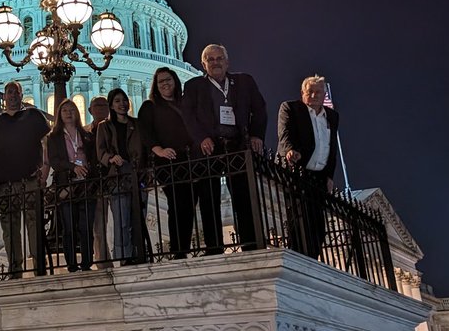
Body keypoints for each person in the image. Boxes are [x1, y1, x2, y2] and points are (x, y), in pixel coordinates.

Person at [182, 44, 267, 251]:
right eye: (210, 60)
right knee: (209, 199)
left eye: (219, 58)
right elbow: (188, 116)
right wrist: (201, 138)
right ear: (203, 64)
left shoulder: (244, 81)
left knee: (243, 196)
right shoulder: (194, 86)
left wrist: (256, 135)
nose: (215, 63)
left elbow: (259, 109)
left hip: (237, 144)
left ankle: (251, 243)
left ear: (227, 62)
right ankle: (214, 247)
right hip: (210, 147)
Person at [0, 80, 51, 278]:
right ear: (4, 96)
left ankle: (39, 268)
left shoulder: (34, 115)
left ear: (21, 95)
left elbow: (48, 142)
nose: (12, 96)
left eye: (16, 92)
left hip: (31, 180)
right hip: (5, 184)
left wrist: (45, 168)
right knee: (9, 228)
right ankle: (15, 270)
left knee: (35, 225)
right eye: (9, 92)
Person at [138, 67, 210, 257]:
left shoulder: (185, 103)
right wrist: (158, 150)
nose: (165, 84)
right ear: (155, 85)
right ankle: (178, 249)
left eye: (168, 80)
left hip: (190, 160)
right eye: (161, 81)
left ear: (175, 81)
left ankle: (183, 247)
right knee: (177, 204)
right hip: (168, 162)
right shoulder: (150, 106)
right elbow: (145, 132)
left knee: (189, 204)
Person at [277, 75, 339, 259]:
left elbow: (331, 147)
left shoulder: (332, 116)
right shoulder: (291, 108)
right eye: (309, 91)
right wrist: (290, 150)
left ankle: (313, 259)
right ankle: (298, 260)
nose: (313, 95)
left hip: (319, 176)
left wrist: (329, 176)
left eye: (318, 92)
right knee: (300, 221)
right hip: (298, 171)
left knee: (318, 225)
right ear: (302, 93)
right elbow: (285, 133)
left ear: (324, 95)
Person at [96, 87, 146, 265]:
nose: (122, 104)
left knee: (138, 219)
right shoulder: (104, 126)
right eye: (117, 101)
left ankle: (140, 254)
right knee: (121, 221)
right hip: (117, 176)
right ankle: (124, 258)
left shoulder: (137, 124)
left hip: (137, 175)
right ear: (111, 105)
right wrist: (110, 158)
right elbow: (100, 151)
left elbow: (145, 147)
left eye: (124, 100)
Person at [45, 99, 95, 273]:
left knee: (86, 226)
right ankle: (72, 263)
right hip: (66, 184)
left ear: (78, 113)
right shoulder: (54, 137)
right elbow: (54, 161)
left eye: (72, 109)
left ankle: (87, 262)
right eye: (64, 110)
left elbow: (93, 157)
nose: (68, 113)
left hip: (86, 184)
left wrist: (87, 170)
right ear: (59, 114)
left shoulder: (87, 135)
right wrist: (73, 167)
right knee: (68, 226)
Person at [86, 95, 113, 268]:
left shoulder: (115, 128)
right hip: (95, 183)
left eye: (104, 105)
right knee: (99, 226)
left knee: (122, 222)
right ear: (90, 110)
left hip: (114, 178)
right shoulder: (85, 133)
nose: (101, 108)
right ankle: (103, 261)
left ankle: (125, 257)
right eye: (97, 106)